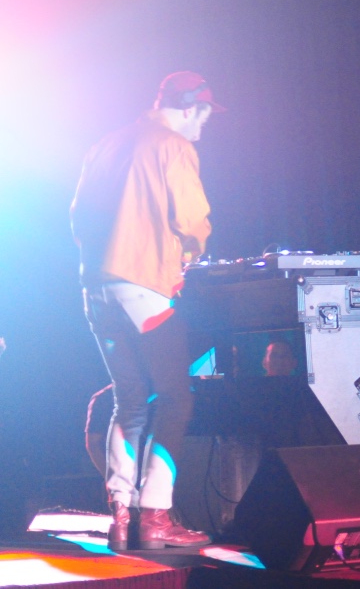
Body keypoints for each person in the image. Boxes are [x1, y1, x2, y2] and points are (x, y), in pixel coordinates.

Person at [70, 71, 225, 551]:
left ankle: (121, 515)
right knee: (176, 398)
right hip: (145, 287)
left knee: (130, 398)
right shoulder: (173, 145)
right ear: (190, 107)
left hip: (97, 289)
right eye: (204, 116)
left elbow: (77, 217)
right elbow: (192, 220)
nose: (204, 128)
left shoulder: (105, 145)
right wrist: (188, 255)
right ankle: (155, 516)